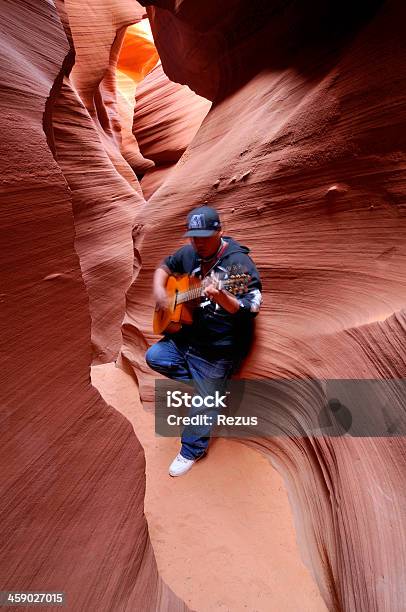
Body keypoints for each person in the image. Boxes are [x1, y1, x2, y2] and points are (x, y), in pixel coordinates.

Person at [145, 205, 262, 476]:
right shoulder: (189, 253)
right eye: (193, 237)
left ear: (220, 231)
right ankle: (210, 391)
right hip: (186, 339)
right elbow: (165, 266)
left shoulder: (237, 265)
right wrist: (160, 292)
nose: (198, 243)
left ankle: (191, 450)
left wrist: (222, 297)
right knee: (154, 357)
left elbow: (252, 306)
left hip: (218, 349)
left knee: (205, 401)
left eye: (205, 237)